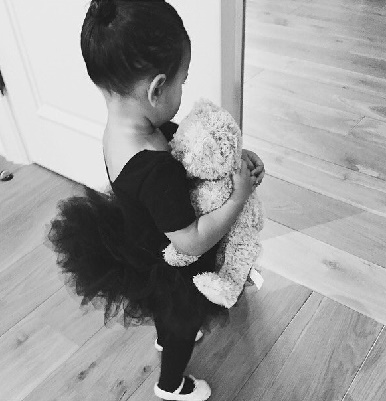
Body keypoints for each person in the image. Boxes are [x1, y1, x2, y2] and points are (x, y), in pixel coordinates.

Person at [48, 1, 265, 400]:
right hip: (172, 263)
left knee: (169, 314)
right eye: (182, 82)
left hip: (140, 244)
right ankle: (171, 384)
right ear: (156, 89)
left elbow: (182, 143)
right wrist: (238, 197)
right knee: (183, 319)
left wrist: (227, 154)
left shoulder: (122, 130)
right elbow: (191, 240)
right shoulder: (156, 170)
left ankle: (167, 334)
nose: (183, 91)